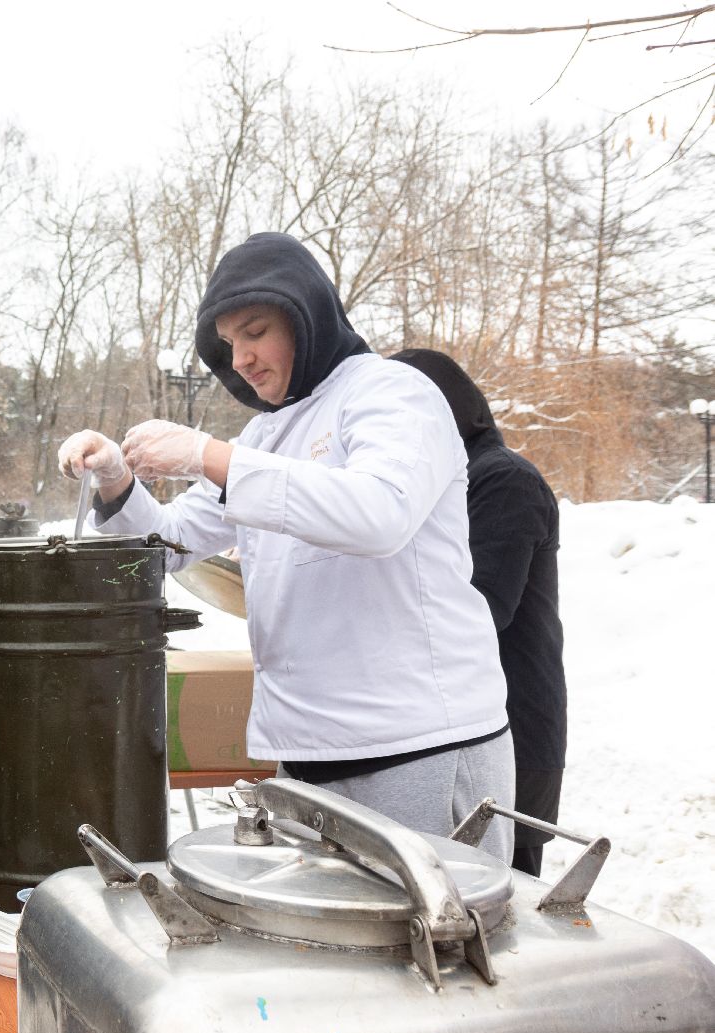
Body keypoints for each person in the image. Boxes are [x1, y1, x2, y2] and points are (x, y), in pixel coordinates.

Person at [58, 232, 514, 860]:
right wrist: (115, 480)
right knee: (332, 951)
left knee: (440, 943)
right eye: (229, 344)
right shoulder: (264, 434)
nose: (241, 358)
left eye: (255, 331)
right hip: (306, 751)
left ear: (307, 316)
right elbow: (169, 546)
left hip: (417, 743)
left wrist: (207, 454)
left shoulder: (391, 392)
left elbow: (379, 513)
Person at [392, 348, 567, 876]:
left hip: (511, 729)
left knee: (505, 903)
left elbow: (483, 607)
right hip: (468, 730)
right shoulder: (456, 481)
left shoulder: (503, 480)